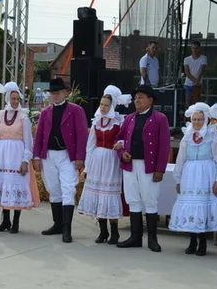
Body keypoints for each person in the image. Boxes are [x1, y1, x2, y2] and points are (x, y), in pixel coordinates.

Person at [114, 84, 171, 252]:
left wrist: (160, 169)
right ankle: (135, 237)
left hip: (149, 166)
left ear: (150, 100)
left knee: (150, 200)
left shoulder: (160, 118)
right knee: (133, 200)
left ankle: (152, 239)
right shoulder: (130, 118)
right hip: (131, 165)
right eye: (136, 97)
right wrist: (122, 153)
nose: (137, 100)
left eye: (141, 97)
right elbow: (119, 141)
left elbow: (164, 146)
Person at [170, 102, 217, 256]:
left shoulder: (212, 137)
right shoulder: (187, 136)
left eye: (200, 119)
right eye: (194, 119)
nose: (197, 122)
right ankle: (192, 241)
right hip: (190, 175)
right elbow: (180, 159)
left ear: (206, 120)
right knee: (191, 205)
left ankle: (203, 242)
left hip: (206, 175)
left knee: (203, 207)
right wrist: (178, 180)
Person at [32, 77, 88, 243]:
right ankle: (57, 224)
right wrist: (36, 157)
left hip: (66, 155)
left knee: (68, 189)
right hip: (49, 155)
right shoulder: (45, 113)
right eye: (53, 93)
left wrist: (80, 157)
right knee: (53, 189)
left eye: (58, 93)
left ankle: (66, 228)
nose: (55, 96)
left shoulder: (75, 111)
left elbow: (82, 135)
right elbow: (39, 136)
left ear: (65, 93)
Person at [78, 85, 130, 244]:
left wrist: (121, 144)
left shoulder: (119, 121)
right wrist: (88, 166)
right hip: (97, 159)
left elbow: (124, 138)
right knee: (98, 195)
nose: (103, 107)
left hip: (112, 160)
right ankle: (103, 231)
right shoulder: (96, 122)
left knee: (110, 194)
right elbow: (90, 145)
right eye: (101, 104)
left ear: (112, 105)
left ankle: (114, 232)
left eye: (106, 105)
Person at [0, 81, 37, 233]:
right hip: (2, 156)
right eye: (13, 98)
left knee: (16, 186)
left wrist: (25, 160)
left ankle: (16, 222)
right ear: (8, 98)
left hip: (16, 155)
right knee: (3, 187)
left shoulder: (23, 118)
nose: (15, 102)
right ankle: (5, 220)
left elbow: (28, 141)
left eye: (17, 99)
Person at [183, 41, 208, 106]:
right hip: (188, 84)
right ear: (191, 48)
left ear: (199, 48)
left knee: (198, 103)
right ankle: (188, 116)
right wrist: (195, 81)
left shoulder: (203, 58)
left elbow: (202, 70)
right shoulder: (187, 59)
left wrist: (198, 81)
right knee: (188, 103)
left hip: (198, 85)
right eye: (193, 48)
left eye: (196, 48)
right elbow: (187, 72)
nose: (194, 50)